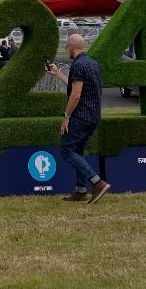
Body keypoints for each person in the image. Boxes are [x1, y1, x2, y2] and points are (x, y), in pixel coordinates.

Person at [44, 34, 110, 204]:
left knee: (67, 150)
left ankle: (97, 183)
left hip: (81, 116)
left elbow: (75, 94)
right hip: (94, 116)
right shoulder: (92, 63)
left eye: (66, 47)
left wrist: (66, 117)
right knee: (78, 150)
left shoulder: (78, 65)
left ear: (71, 47)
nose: (66, 50)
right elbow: (76, 87)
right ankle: (81, 191)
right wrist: (58, 74)